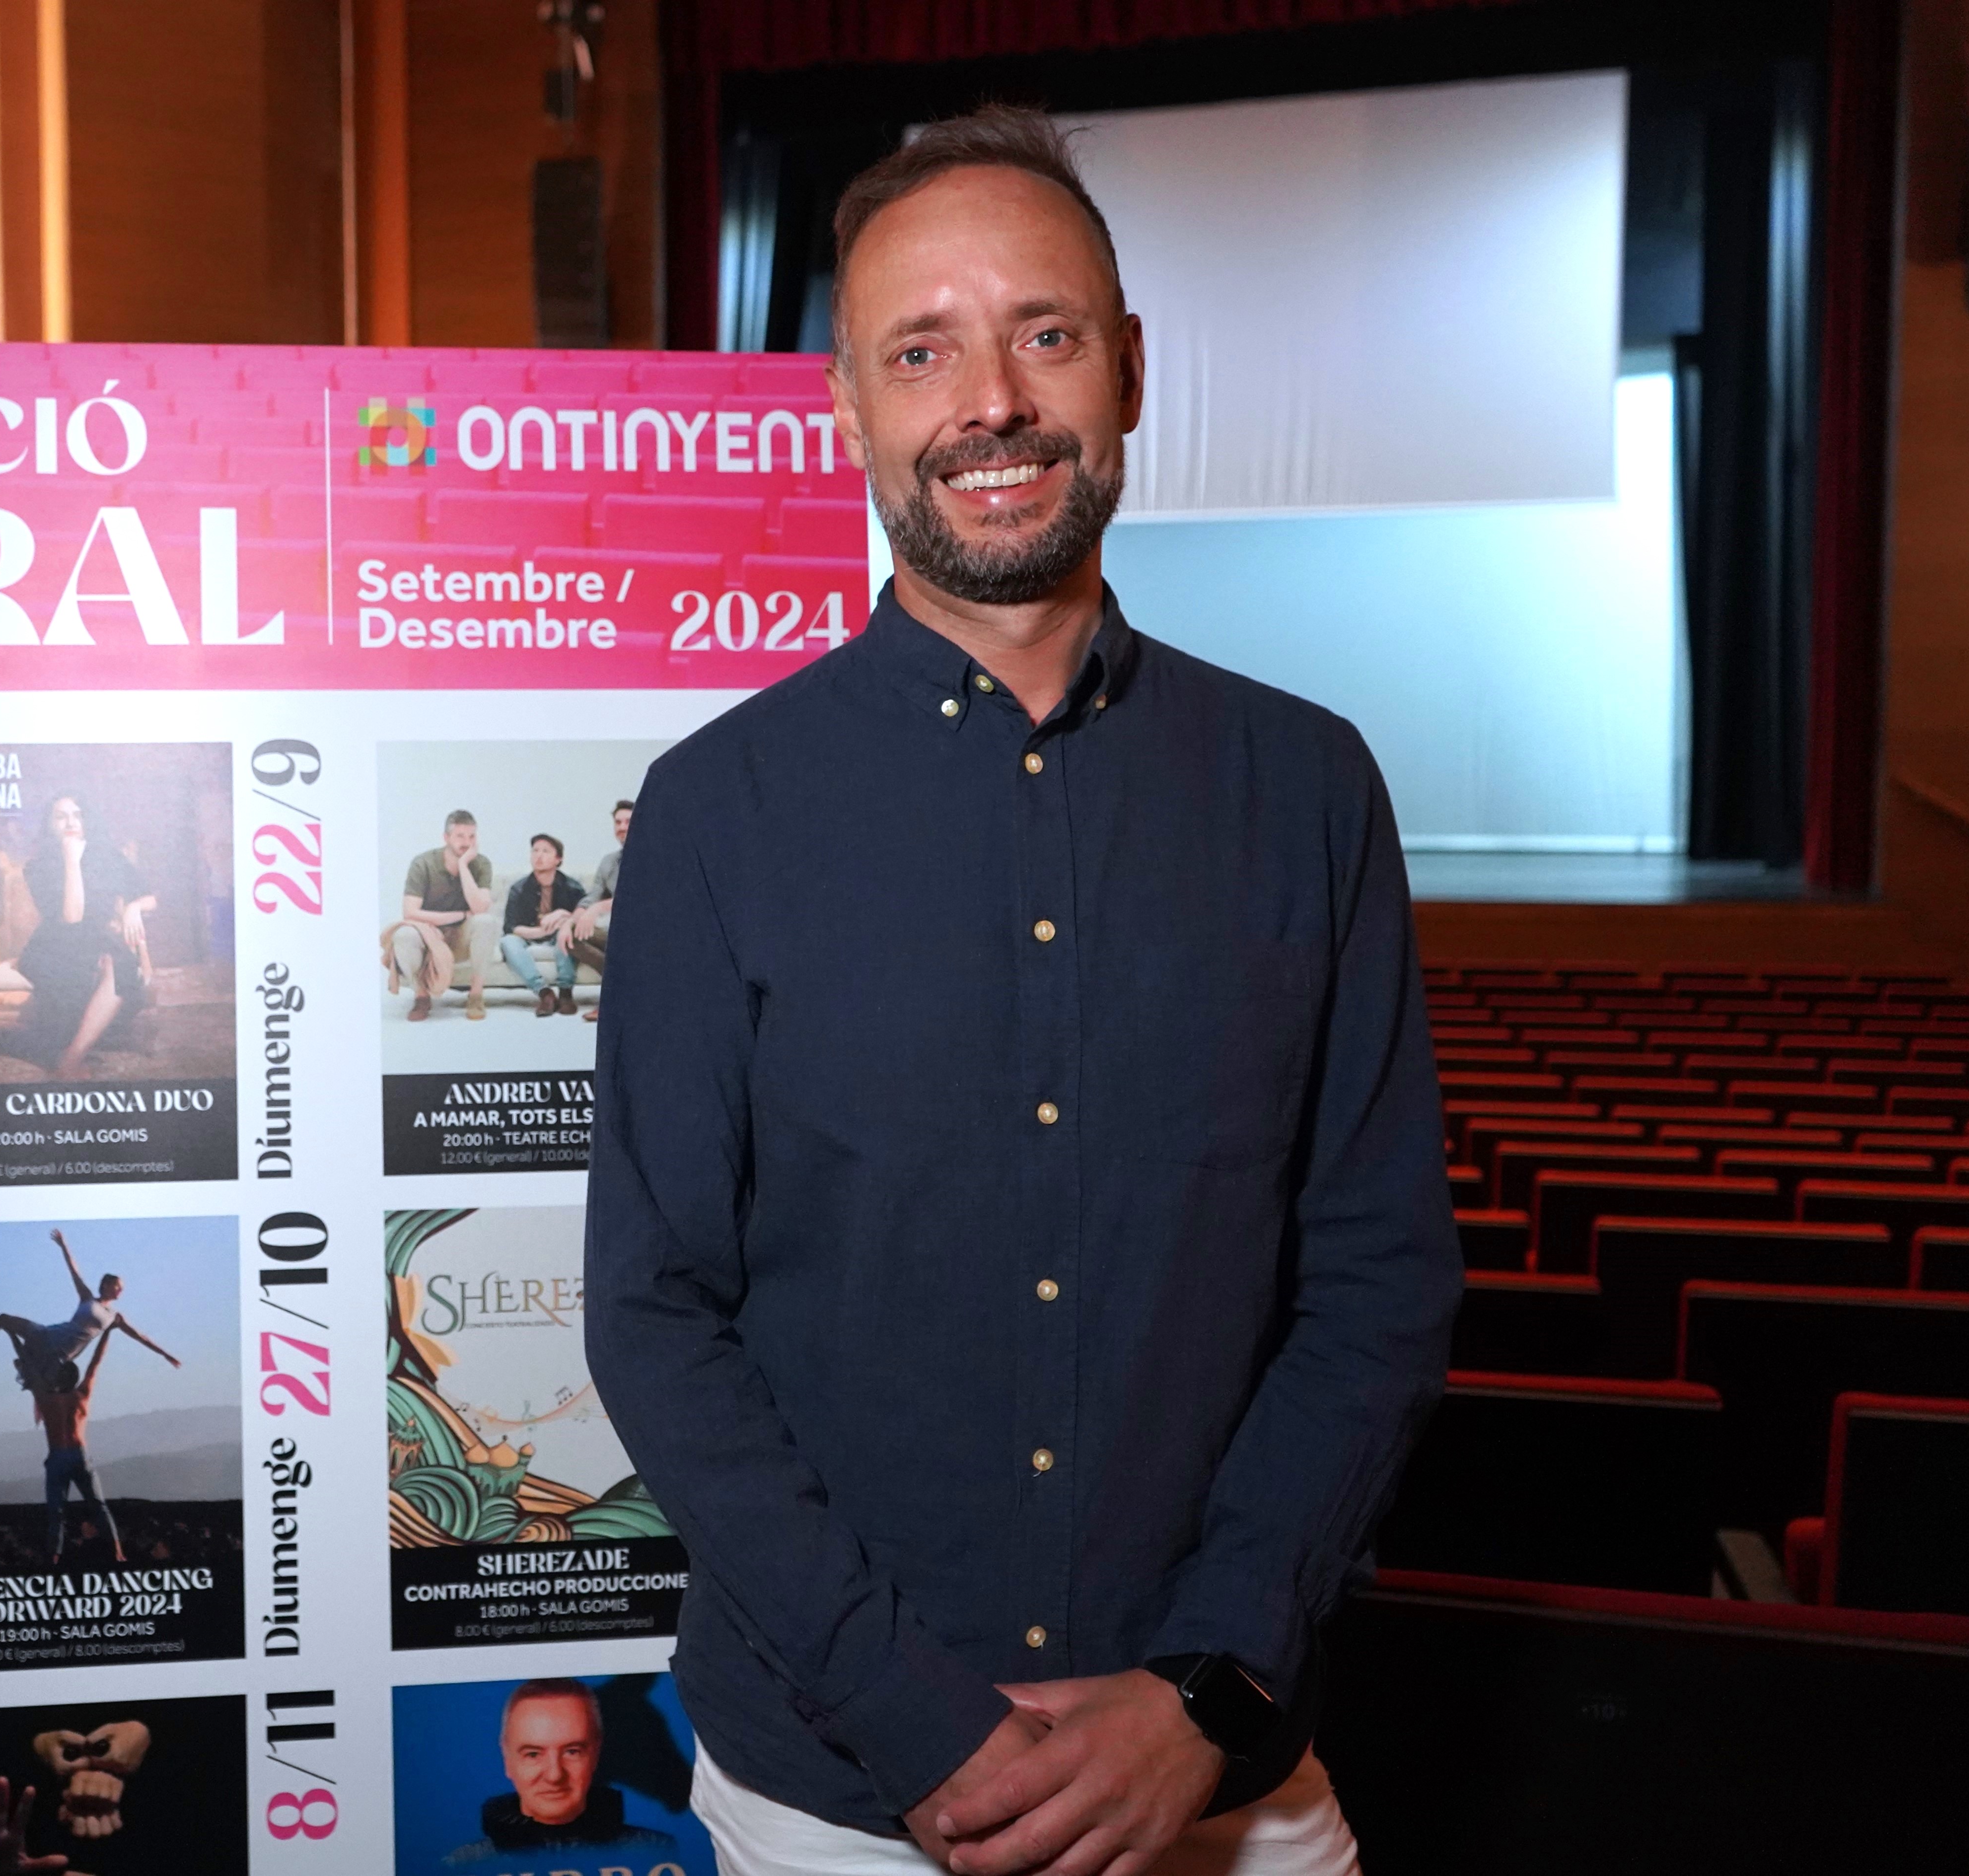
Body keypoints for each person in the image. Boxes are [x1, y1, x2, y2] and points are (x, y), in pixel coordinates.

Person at [585, 106, 1457, 1876]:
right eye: (922, 348)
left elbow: (1377, 1277)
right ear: (850, 402)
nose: (984, 399)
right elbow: (656, 1313)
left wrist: (1203, 1687)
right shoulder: (709, 809)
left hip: (1221, 1784)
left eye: (1039, 334)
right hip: (828, 1794)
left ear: (1124, 368)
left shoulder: (1306, 788)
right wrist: (919, 1722)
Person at [444, 1680, 679, 1868]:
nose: (555, 1775)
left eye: (572, 1751)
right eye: (534, 1754)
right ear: (507, 1760)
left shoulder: (657, 1852)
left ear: (596, 1756)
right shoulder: (464, 1865)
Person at [6, 792, 158, 1079]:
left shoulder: (109, 856)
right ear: (49, 825)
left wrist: (134, 908)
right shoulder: (39, 867)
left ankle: (70, 1059)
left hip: (99, 942)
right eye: (60, 817)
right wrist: (72, 860)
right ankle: (65, 1055)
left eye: (77, 815)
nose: (70, 822)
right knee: (65, 1012)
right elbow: (72, 918)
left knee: (121, 965)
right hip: (56, 947)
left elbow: (150, 898)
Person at [0, 1226, 182, 1391]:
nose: (121, 1291)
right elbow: (74, 1271)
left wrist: (164, 1354)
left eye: (122, 1288)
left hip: (60, 1355)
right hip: (47, 1334)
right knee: (5, 1319)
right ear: (108, 1286)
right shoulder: (87, 1298)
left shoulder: (115, 1318)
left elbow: (140, 1337)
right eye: (119, 1287)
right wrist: (64, 1245)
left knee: (44, 1386)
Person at [391, 810, 496, 1021]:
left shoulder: (481, 864)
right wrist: (460, 915)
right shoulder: (423, 864)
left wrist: (464, 866)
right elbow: (410, 913)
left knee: (486, 922)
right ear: (446, 838)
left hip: (461, 938)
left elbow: (480, 908)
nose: (467, 843)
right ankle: (421, 996)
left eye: (472, 837)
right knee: (403, 936)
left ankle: (476, 996)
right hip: (430, 937)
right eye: (460, 836)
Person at [34, 1340, 123, 1565]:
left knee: (57, 1511)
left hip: (57, 1457)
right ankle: (117, 1552)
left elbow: (30, 1369)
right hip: (78, 1455)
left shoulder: (46, 1399)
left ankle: (54, 1556)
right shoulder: (82, 1395)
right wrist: (108, 1334)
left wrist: (13, 1337)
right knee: (98, 1506)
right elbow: (95, 1362)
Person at [499, 835, 588, 1016]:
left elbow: (583, 917)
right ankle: (545, 994)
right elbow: (511, 927)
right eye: (535, 851)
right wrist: (541, 931)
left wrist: (561, 914)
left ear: (559, 859)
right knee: (508, 942)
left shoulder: (572, 888)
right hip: (529, 936)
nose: (539, 856)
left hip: (558, 935)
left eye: (546, 852)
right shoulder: (519, 888)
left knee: (567, 933)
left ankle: (565, 994)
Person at [565, 800, 630, 1024]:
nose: (622, 827)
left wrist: (599, 908)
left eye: (629, 821)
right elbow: (593, 896)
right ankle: (626, 991)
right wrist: (570, 922)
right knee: (571, 937)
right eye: (618, 822)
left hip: (651, 936)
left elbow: (640, 897)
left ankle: (615, 999)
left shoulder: (655, 857)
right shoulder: (609, 862)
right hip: (618, 936)